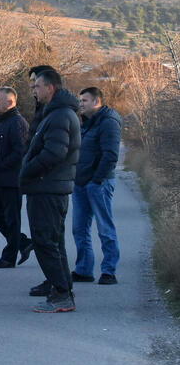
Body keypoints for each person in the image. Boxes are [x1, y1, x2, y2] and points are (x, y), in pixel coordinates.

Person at [20, 69, 81, 313]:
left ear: (50, 88)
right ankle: (62, 290)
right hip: (49, 187)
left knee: (45, 242)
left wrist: (28, 169)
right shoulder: (55, 113)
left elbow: (55, 153)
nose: (33, 91)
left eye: (37, 87)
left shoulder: (59, 116)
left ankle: (62, 294)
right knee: (53, 242)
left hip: (47, 187)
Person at [71, 87, 122, 285]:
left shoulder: (109, 122)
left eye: (84, 100)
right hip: (81, 183)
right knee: (79, 228)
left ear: (96, 101)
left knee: (104, 227)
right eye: (80, 100)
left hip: (98, 184)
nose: (80, 104)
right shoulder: (86, 123)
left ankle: (109, 270)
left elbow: (110, 155)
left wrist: (96, 180)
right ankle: (83, 269)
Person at [0, 86, 31, 268]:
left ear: (10, 102)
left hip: (12, 180)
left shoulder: (17, 122)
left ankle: (9, 256)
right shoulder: (0, 122)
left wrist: (0, 165)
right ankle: (22, 243)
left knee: (12, 218)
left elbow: (20, 151)